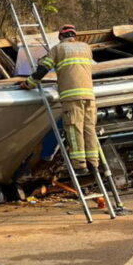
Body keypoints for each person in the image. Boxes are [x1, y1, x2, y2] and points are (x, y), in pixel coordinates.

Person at [20, 24, 97, 175]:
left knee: (74, 129)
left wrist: (28, 83)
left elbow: (42, 70)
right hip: (89, 96)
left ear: (61, 37)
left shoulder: (58, 49)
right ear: (74, 35)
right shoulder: (86, 48)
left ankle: (79, 164)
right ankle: (94, 163)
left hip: (71, 96)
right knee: (89, 128)